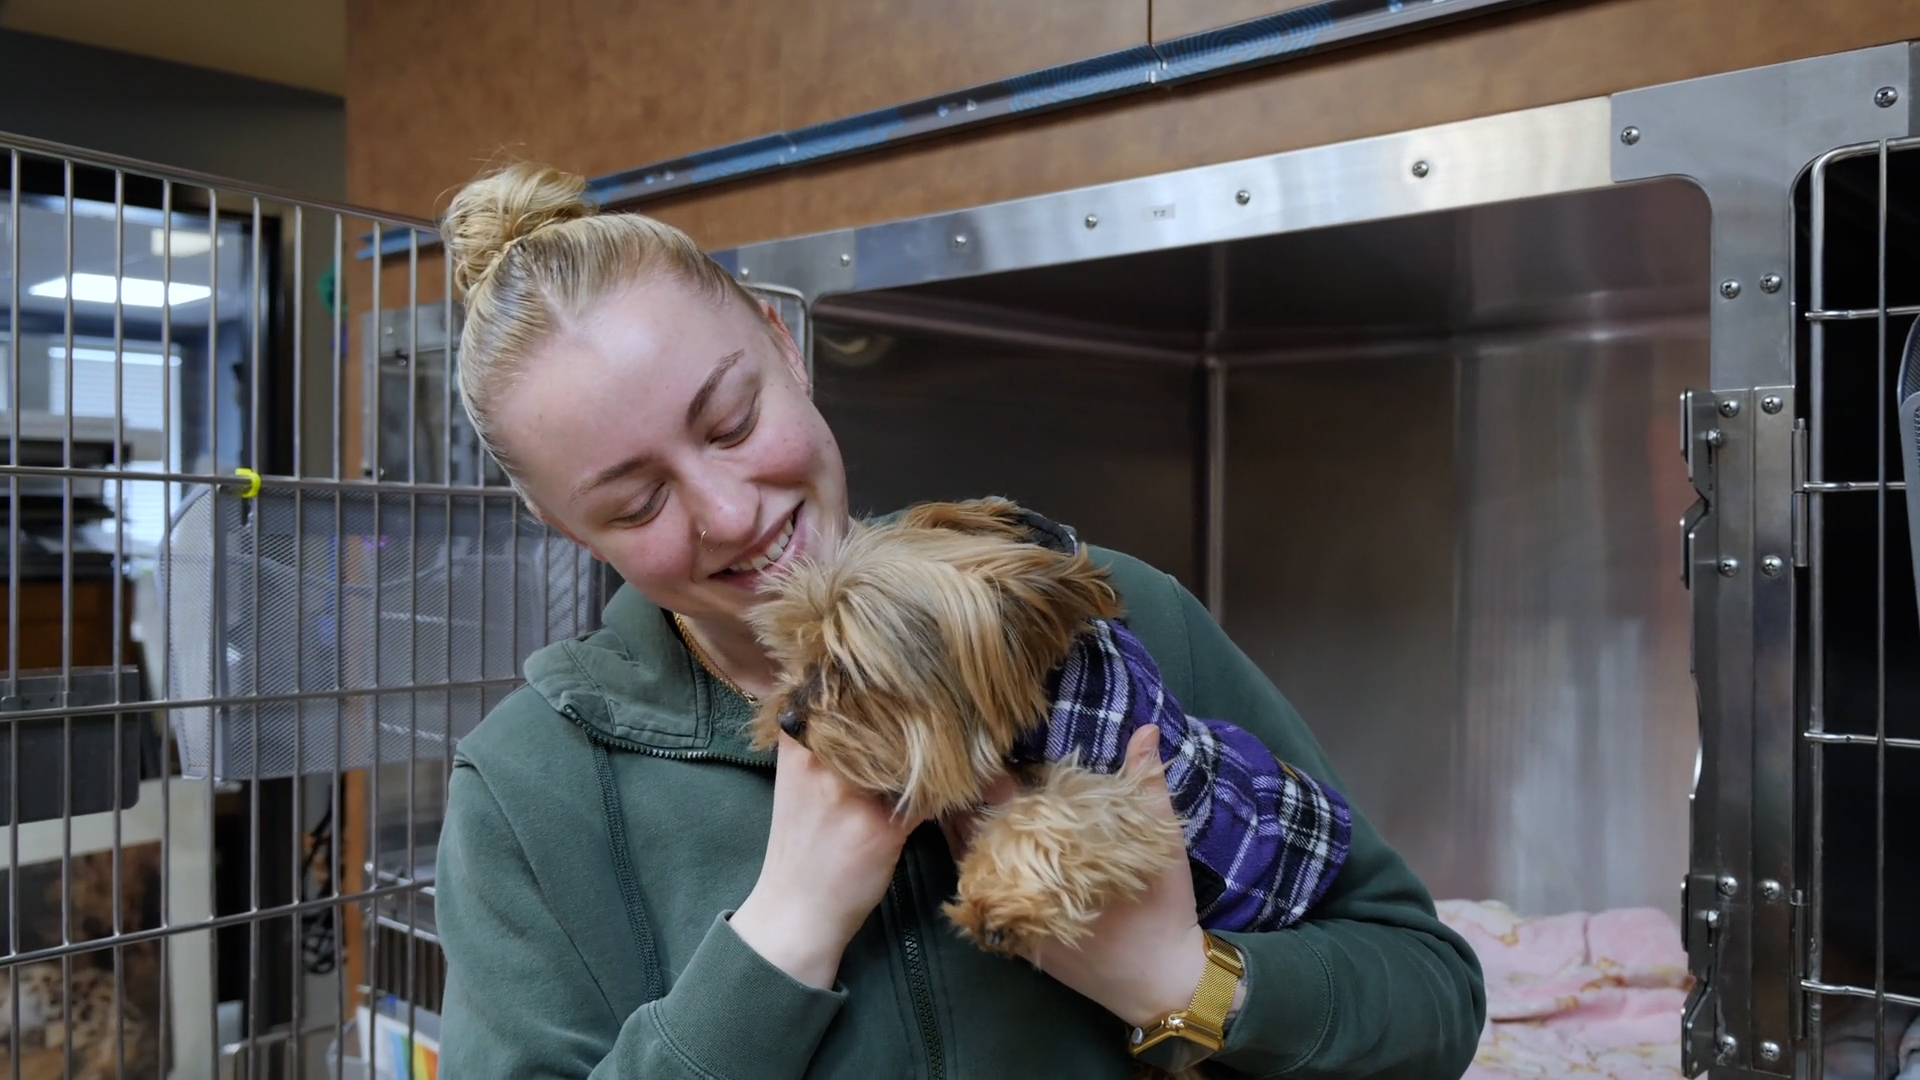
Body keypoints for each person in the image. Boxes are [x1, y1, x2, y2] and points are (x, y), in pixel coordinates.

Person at [431, 161, 1487, 1079]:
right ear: (568, 529)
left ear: (784, 342)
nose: (729, 512)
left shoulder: (1087, 606)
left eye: (732, 420)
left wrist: (1180, 980)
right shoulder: (528, 790)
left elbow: (1430, 1000)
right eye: (636, 503)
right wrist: (782, 934)